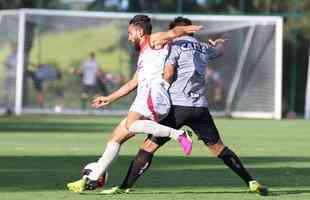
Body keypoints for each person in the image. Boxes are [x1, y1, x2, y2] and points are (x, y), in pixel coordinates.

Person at [100, 17, 268, 196]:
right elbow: (218, 51)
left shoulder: (173, 45)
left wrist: (160, 87)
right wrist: (218, 44)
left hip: (177, 106)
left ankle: (124, 186)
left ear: (176, 30)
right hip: (199, 108)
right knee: (219, 148)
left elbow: (169, 72)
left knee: (148, 146)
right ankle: (250, 181)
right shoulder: (203, 48)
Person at [67, 15, 202, 193]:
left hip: (155, 96)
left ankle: (179, 134)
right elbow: (132, 83)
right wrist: (109, 98)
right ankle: (92, 177)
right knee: (115, 138)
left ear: (139, 32)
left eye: (130, 33)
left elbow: (172, 33)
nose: (129, 37)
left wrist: (184, 30)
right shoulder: (143, 54)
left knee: (131, 124)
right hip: (144, 98)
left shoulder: (153, 40)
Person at [3, 45, 17, 115]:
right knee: (6, 93)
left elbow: (13, 65)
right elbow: (5, 63)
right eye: (12, 48)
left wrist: (8, 64)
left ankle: (11, 109)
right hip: (7, 77)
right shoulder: (9, 56)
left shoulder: (18, 56)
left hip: (13, 77)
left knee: (12, 93)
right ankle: (7, 108)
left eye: (14, 47)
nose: (12, 49)